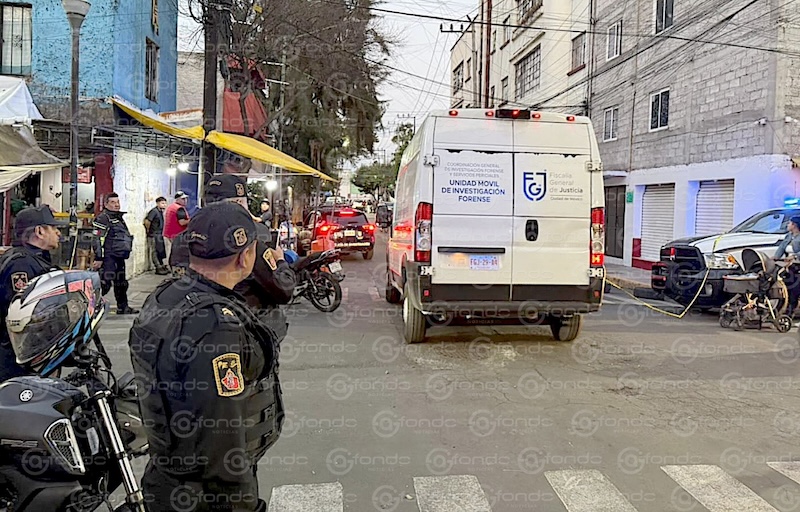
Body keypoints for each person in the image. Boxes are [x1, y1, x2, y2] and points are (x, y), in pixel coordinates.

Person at [128, 202, 283, 512]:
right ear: (245, 256)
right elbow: (221, 436)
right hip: (204, 494)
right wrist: (242, 504)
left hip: (168, 475)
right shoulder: (216, 326)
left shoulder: (166, 295)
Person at [180, 174, 296, 340]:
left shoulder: (186, 237)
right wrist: (281, 262)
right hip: (246, 328)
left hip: (194, 325)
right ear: (239, 204)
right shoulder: (250, 239)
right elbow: (283, 290)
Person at [0, 206, 61, 381]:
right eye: (53, 228)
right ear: (40, 231)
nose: (58, 233)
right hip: (18, 361)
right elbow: (23, 317)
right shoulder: (21, 264)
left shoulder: (36, 260)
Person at [92, 193, 138, 315]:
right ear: (106, 204)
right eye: (113, 202)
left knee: (121, 283)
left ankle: (123, 307)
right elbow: (97, 239)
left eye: (117, 202)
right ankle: (90, 307)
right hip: (109, 257)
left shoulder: (118, 218)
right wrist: (99, 257)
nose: (116, 205)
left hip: (119, 257)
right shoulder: (103, 218)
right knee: (105, 283)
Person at [774, 216, 800, 317]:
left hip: (798, 266)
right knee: (785, 286)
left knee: (794, 289)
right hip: (790, 266)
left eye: (789, 223)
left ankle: (790, 311)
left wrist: (794, 256)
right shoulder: (789, 236)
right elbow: (782, 247)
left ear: (794, 225)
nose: (787, 225)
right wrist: (776, 257)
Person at [144, 196, 169, 275]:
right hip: (153, 235)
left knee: (160, 251)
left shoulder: (160, 212)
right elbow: (147, 221)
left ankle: (161, 265)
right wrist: (148, 230)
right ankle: (158, 267)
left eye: (165, 203)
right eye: (162, 203)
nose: (164, 205)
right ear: (158, 203)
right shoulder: (154, 211)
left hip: (159, 234)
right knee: (154, 251)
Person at [163, 191, 191, 259]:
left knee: (172, 251)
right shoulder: (179, 209)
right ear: (177, 199)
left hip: (169, 234)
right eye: (183, 199)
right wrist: (192, 220)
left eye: (186, 199)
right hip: (177, 234)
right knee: (178, 253)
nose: (185, 200)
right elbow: (182, 222)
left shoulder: (171, 207)